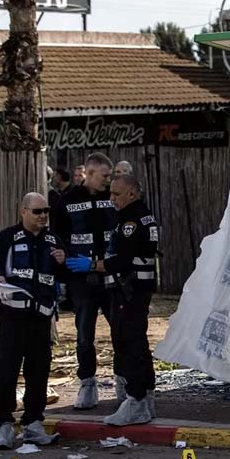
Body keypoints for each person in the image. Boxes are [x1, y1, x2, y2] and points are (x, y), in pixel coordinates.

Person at [67, 174, 159, 425]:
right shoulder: (140, 215)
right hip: (134, 290)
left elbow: (123, 259)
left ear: (131, 193)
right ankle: (145, 399)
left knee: (127, 343)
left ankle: (136, 401)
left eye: (116, 194)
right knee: (137, 343)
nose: (112, 199)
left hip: (128, 290)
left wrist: (93, 264)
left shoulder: (131, 220)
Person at [0, 192, 65, 449]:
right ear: (23, 212)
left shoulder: (53, 239)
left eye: (46, 211)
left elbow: (62, 275)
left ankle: (33, 423)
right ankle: (2, 424)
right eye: (37, 211)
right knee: (8, 369)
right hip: (13, 314)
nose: (43, 216)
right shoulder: (8, 237)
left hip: (41, 316)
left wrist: (62, 261)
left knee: (39, 371)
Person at [54, 152, 116, 410]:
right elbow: (58, 237)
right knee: (84, 335)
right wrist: (63, 274)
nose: (108, 181)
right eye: (104, 176)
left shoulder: (113, 196)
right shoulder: (67, 201)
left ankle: (124, 382)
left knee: (121, 331)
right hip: (82, 279)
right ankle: (87, 384)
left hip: (112, 276)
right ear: (89, 174)